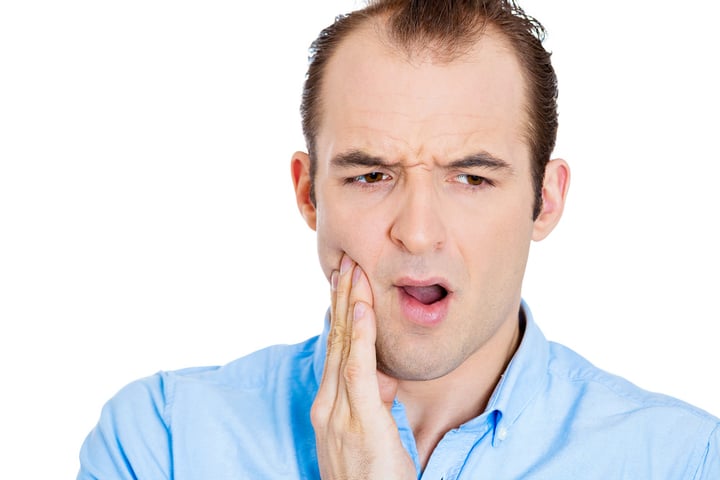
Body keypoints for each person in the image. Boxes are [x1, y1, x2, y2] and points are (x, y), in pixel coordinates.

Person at [77, 0, 719, 478]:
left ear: (544, 201)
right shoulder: (160, 441)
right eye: (371, 175)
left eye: (471, 177)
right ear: (309, 194)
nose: (416, 232)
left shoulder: (684, 461)